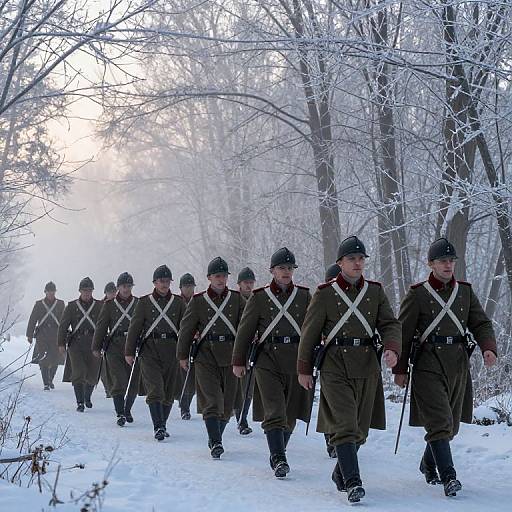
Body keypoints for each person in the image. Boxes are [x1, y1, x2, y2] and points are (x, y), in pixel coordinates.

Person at [298, 236, 401, 503]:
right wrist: (304, 369)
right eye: (351, 259)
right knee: (344, 424)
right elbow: (309, 335)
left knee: (360, 431)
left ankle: (340, 472)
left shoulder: (375, 292)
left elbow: (390, 324)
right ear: (340, 263)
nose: (357, 263)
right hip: (335, 365)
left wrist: (392, 348)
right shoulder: (324, 293)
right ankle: (354, 482)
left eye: (361, 259)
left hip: (367, 364)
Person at [393, 238, 497, 497]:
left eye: (451, 261)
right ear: (431, 264)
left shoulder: (465, 292)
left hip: (458, 364)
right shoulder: (418, 294)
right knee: (439, 421)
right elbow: (403, 332)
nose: (448, 265)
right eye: (442, 261)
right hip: (428, 364)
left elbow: (480, 322)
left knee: (451, 426)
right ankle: (449, 476)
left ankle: (428, 463)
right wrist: (400, 370)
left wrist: (488, 347)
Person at [233, 248, 312, 478]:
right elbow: (245, 330)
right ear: (272, 271)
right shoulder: (259, 297)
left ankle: (278, 450)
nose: (286, 272)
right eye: (281, 268)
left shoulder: (305, 296)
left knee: (290, 414)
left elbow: (315, 327)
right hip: (268, 359)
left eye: (289, 268)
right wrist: (239, 361)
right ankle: (279, 458)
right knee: (274, 409)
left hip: (297, 358)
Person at [177, 257, 245, 459]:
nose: (221, 279)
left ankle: (214, 435)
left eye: (224, 276)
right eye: (217, 276)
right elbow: (186, 329)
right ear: (209, 278)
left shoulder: (236, 299)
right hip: (206, 355)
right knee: (212, 400)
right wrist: (182, 354)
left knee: (227, 404)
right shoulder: (198, 301)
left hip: (231, 354)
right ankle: (216, 442)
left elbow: (245, 325)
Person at [125, 265, 186, 441]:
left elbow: (186, 326)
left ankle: (163, 424)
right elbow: (135, 327)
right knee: (155, 390)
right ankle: (158, 426)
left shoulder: (178, 302)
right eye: (162, 281)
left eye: (167, 281)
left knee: (168, 393)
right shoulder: (144, 303)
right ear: (155, 282)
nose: (165, 284)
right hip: (150, 350)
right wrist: (129, 351)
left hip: (171, 350)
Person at [92, 272, 139, 426]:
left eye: (129, 286)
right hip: (114, 346)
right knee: (119, 380)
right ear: (118, 287)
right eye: (124, 286)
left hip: (133, 346)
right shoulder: (109, 305)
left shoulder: (139, 304)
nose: (126, 289)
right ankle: (120, 413)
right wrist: (96, 346)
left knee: (132, 382)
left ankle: (127, 409)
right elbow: (101, 327)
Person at [57, 277, 103, 412]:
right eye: (84, 290)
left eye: (89, 290)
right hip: (76, 343)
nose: (87, 293)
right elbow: (63, 326)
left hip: (94, 342)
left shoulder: (100, 306)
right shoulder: (72, 306)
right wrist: (61, 343)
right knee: (79, 371)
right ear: (80, 291)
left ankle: (87, 396)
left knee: (92, 374)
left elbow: (106, 324)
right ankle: (80, 402)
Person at [26, 282, 65, 390]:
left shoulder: (60, 304)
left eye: (52, 291)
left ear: (55, 292)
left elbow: (65, 320)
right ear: (45, 292)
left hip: (56, 334)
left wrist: (65, 334)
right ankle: (46, 383)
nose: (51, 293)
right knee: (43, 358)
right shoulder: (39, 304)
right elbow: (33, 319)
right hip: (42, 335)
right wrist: (29, 335)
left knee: (55, 358)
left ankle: (50, 379)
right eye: (49, 291)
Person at [234, 266, 257, 435]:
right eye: (245, 282)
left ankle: (242, 419)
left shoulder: (258, 299)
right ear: (239, 284)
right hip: (233, 347)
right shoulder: (232, 301)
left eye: (251, 282)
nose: (248, 286)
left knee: (248, 386)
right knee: (235, 386)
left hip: (251, 348)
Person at [174, 273, 197, 420]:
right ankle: (184, 406)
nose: (189, 289)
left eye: (191, 286)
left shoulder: (199, 301)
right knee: (183, 376)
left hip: (196, 344)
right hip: (180, 343)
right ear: (181, 288)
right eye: (186, 286)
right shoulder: (176, 302)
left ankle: (186, 401)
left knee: (193, 377)